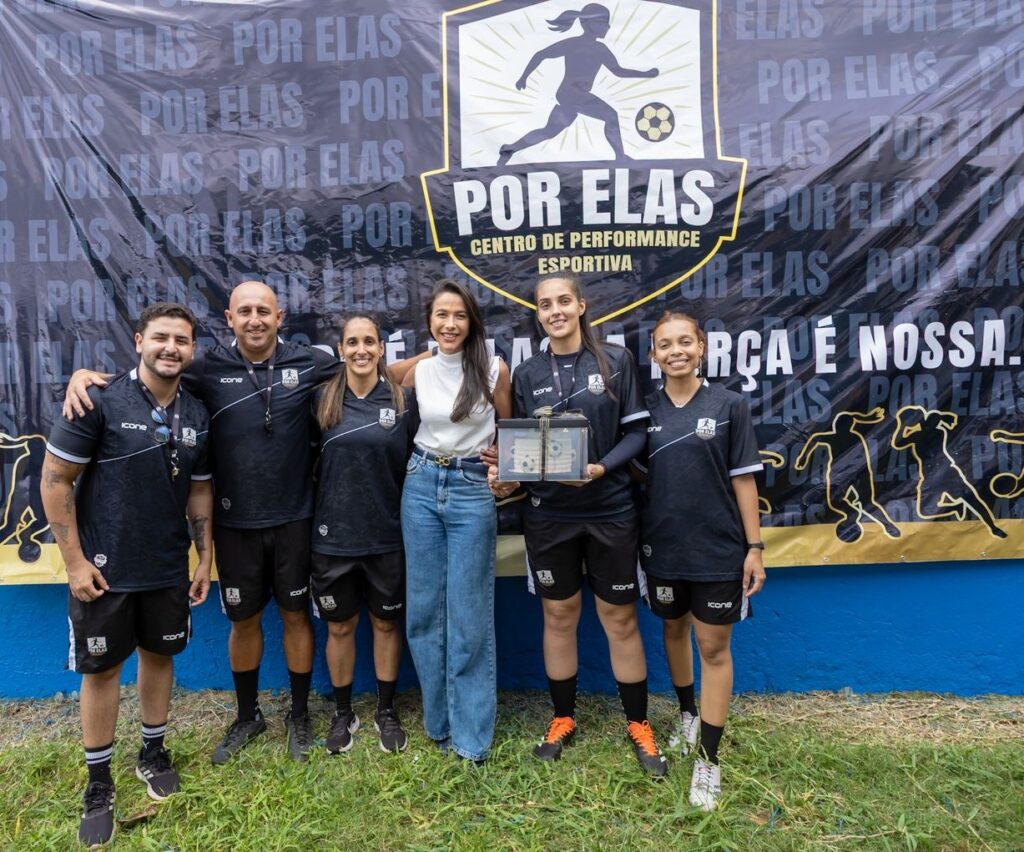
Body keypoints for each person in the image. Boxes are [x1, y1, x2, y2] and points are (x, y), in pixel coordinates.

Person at [63, 282, 347, 763]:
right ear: (229, 318)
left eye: (264, 311)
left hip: (296, 517)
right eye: (244, 311)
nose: (255, 319)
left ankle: (299, 715)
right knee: (244, 620)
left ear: (280, 317)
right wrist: (83, 378)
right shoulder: (203, 366)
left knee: (296, 616)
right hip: (234, 523)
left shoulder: (310, 362)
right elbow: (147, 374)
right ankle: (247, 715)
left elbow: (369, 370)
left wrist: (432, 359)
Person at [40, 303, 213, 847]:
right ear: (139, 340)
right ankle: (99, 783)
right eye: (160, 337)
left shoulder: (197, 411)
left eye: (181, 340)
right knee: (103, 671)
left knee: (159, 657)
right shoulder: (96, 400)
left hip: (166, 566)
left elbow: (200, 489)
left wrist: (204, 557)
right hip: (104, 571)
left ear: (192, 349)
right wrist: (74, 562)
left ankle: (153, 752)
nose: (171, 348)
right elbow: (55, 481)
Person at [489, 271, 666, 778]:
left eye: (564, 301)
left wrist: (600, 469)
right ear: (538, 314)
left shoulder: (615, 360)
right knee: (559, 616)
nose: (555, 311)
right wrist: (505, 472)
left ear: (582, 306)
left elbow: (637, 435)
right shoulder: (527, 374)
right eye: (545, 305)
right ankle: (562, 718)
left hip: (611, 510)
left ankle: (639, 724)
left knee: (620, 618)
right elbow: (522, 447)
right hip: (549, 515)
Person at [637, 311, 766, 810]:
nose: (676, 351)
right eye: (665, 344)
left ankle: (708, 761)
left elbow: (744, 480)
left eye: (684, 342)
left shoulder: (729, 405)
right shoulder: (644, 410)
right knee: (674, 629)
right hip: (662, 548)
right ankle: (687, 716)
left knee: (713, 647)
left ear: (702, 347)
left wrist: (754, 548)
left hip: (718, 550)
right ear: (654, 355)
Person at [400, 280, 512, 764]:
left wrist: (503, 462)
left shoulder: (493, 368)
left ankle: (471, 736)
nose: (450, 324)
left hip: (470, 489)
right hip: (420, 483)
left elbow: (510, 430)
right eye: (441, 315)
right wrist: (428, 353)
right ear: (429, 321)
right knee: (424, 613)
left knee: (469, 615)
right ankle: (438, 723)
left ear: (473, 322)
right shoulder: (420, 369)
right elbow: (375, 374)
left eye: (459, 315)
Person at [311, 314, 419, 755]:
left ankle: (385, 710)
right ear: (341, 350)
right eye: (352, 342)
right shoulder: (321, 399)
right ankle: (343, 713)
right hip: (333, 538)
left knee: (385, 623)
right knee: (340, 627)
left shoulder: (402, 400)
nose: (361, 350)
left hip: (387, 536)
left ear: (381, 349)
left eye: (369, 342)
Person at [498, 3, 657, 165]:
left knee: (549, 131)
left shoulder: (599, 48)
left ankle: (510, 148)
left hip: (569, 95)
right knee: (611, 116)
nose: (608, 27)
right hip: (573, 94)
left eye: (608, 24)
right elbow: (541, 54)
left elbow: (618, 71)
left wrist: (645, 74)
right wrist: (523, 77)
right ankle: (620, 158)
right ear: (587, 23)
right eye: (603, 23)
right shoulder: (576, 44)